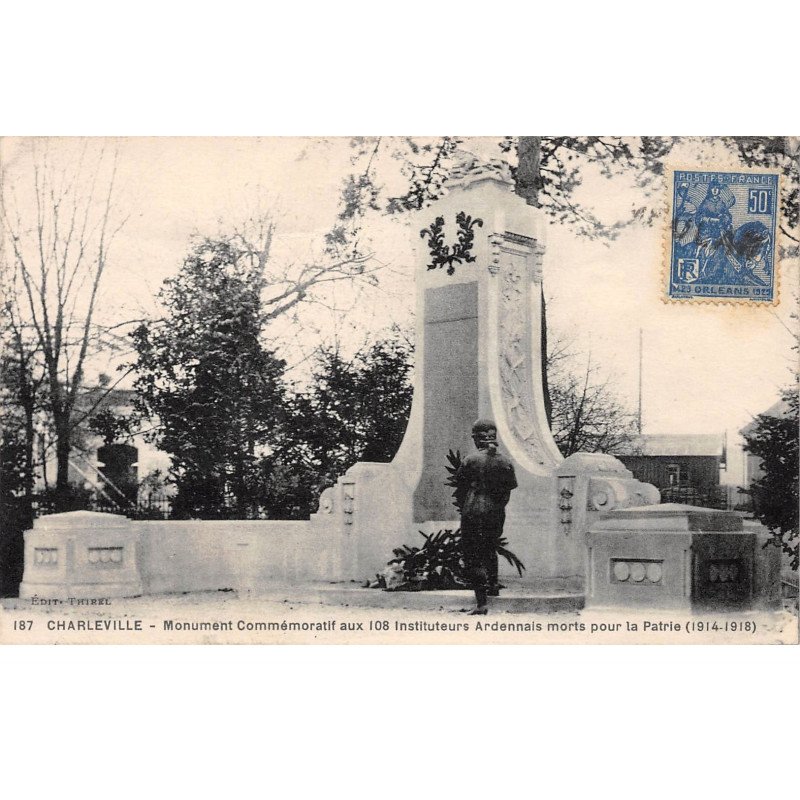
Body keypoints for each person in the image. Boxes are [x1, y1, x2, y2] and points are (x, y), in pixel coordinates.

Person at [457, 419, 518, 614]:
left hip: (473, 510)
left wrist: (467, 507)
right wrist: (497, 508)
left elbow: (460, 489)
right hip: (496, 512)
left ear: (477, 438)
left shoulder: (470, 460)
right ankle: (493, 585)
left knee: (473, 555)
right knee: (490, 548)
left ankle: (481, 603)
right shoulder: (505, 462)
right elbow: (507, 492)